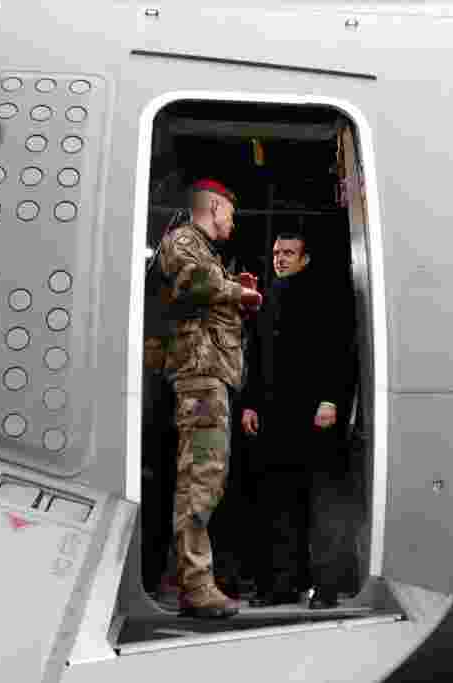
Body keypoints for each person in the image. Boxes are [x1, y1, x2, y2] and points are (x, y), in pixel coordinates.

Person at [157, 178, 263, 618]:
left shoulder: (203, 250)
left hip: (210, 378)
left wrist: (235, 292)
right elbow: (193, 281)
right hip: (200, 381)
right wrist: (241, 292)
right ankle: (196, 586)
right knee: (201, 478)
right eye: (230, 214)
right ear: (215, 206)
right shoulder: (184, 240)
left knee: (204, 478)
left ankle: (178, 577)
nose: (232, 224)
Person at [241, 231, 356, 610]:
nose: (281, 258)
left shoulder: (326, 294)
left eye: (289, 253)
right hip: (276, 418)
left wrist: (331, 399)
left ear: (305, 258)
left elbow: (340, 350)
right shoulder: (270, 295)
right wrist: (251, 404)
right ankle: (281, 586)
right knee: (279, 504)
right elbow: (256, 356)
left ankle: (325, 588)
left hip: (314, 417)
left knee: (320, 504)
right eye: (277, 252)